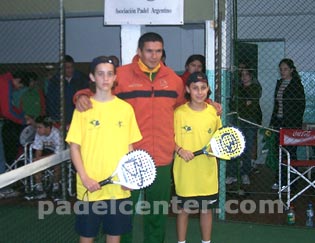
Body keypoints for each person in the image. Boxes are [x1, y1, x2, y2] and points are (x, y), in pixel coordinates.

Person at [74, 32, 185, 243]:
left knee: (157, 214)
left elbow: (183, 107)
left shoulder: (174, 80)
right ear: (139, 51)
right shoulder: (122, 76)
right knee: (124, 217)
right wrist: (80, 96)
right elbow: (98, 90)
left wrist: (208, 105)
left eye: (158, 51)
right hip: (127, 161)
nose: (154, 56)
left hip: (161, 159)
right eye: (149, 51)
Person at [66, 55, 142, 243]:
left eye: (109, 74)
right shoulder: (82, 110)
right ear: (92, 77)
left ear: (115, 77)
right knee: (87, 236)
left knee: (114, 235)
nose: (105, 78)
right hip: (89, 187)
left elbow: (130, 146)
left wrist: (129, 177)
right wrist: (85, 177)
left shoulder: (125, 109)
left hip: (118, 188)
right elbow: (74, 147)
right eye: (100, 74)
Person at [173, 72, 222, 243]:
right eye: (195, 88)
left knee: (206, 210)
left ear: (208, 89)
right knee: (183, 210)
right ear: (188, 89)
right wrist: (179, 150)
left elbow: (219, 140)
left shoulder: (213, 113)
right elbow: (169, 138)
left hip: (207, 172)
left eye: (203, 88)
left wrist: (215, 150)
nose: (199, 92)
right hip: (185, 172)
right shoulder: (178, 113)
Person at [269, 58, 305, 190]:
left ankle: (292, 182)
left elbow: (300, 106)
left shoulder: (296, 84)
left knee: (290, 152)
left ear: (291, 70)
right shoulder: (280, 83)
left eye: (285, 69)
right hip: (279, 122)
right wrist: (273, 121)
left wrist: (292, 124)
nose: (282, 72)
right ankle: (280, 180)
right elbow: (276, 104)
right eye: (281, 69)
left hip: (290, 124)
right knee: (279, 152)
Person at [226, 68, 262, 185]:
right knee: (234, 146)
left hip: (250, 120)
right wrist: (243, 103)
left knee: (247, 147)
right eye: (242, 75)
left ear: (251, 75)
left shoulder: (256, 88)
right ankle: (232, 174)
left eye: (246, 74)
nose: (244, 77)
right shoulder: (238, 88)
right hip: (237, 120)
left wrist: (240, 103)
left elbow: (251, 105)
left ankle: (244, 173)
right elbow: (233, 104)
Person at [24, 115, 62, 201]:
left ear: (48, 127)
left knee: (57, 163)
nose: (37, 130)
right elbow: (38, 150)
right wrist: (38, 160)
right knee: (35, 162)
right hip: (47, 152)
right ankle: (39, 189)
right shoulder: (39, 134)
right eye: (37, 127)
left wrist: (42, 159)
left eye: (39, 127)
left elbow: (58, 154)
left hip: (59, 154)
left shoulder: (56, 133)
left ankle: (56, 187)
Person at [46, 54, 89, 126]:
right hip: (60, 119)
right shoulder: (54, 81)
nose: (70, 70)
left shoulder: (82, 79)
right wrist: (55, 117)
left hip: (80, 117)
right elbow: (51, 101)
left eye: (72, 67)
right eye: (67, 68)